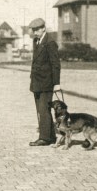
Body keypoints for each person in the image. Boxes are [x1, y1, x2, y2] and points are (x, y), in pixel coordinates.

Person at [28, 18, 61, 146]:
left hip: (47, 83)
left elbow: (55, 64)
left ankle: (44, 138)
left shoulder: (50, 42)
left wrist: (57, 83)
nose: (35, 32)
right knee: (40, 110)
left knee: (44, 110)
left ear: (43, 28)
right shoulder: (36, 41)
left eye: (37, 30)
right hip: (36, 82)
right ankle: (50, 136)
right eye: (33, 30)